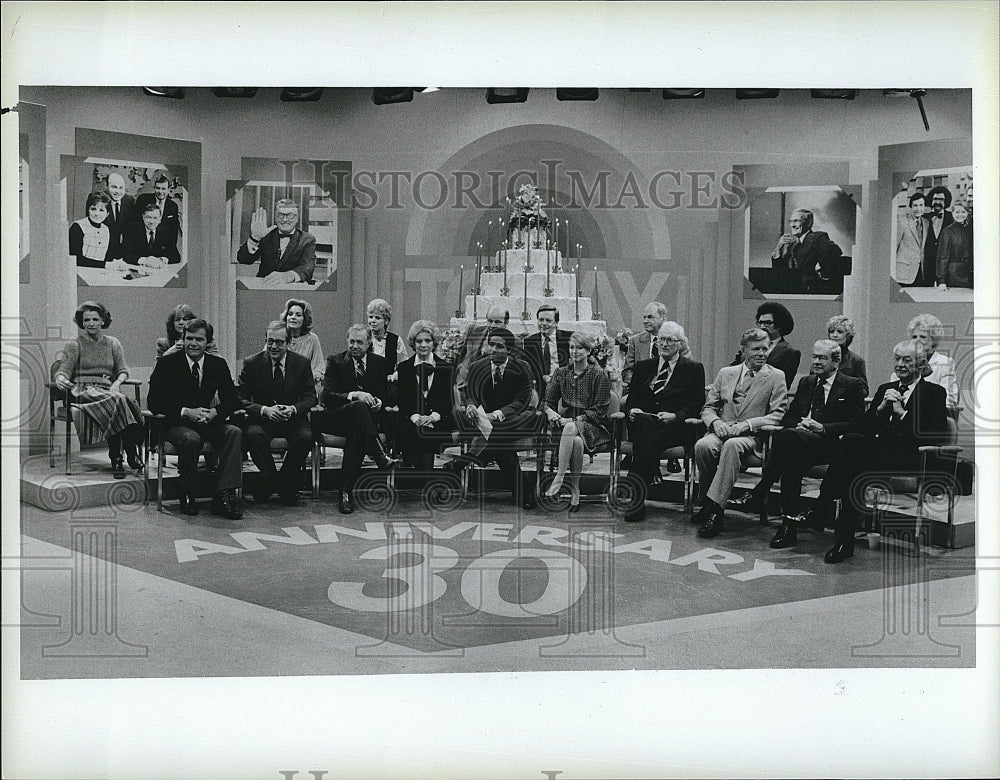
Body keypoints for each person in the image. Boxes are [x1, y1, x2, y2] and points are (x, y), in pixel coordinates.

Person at [815, 340, 948, 563]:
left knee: (850, 447)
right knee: (852, 465)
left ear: (922, 363)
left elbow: (931, 436)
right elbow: (863, 428)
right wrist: (879, 410)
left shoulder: (934, 393)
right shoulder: (886, 389)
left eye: (907, 360)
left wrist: (900, 413)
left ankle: (822, 505)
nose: (900, 365)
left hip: (912, 457)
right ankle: (843, 542)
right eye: (897, 359)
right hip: (881, 455)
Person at [726, 340, 865, 545]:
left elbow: (856, 424)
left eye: (821, 358)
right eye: (814, 357)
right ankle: (788, 527)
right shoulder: (807, 382)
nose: (816, 362)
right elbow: (789, 417)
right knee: (791, 460)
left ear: (836, 362)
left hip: (830, 445)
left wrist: (822, 427)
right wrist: (800, 425)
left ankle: (762, 490)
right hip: (800, 443)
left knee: (787, 442)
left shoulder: (852, 385)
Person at [693, 327, 788, 538]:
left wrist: (748, 424)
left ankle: (716, 512)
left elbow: (778, 414)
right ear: (744, 349)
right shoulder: (726, 373)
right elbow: (708, 407)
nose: (762, 353)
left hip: (753, 438)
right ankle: (707, 501)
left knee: (732, 445)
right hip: (723, 430)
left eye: (766, 348)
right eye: (756, 349)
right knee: (703, 445)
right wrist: (716, 422)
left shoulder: (776, 377)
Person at [146, 318, 244, 523]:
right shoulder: (167, 363)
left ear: (207, 342)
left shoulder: (217, 364)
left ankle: (223, 495)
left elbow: (232, 400)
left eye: (199, 339)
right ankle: (188, 494)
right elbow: (154, 402)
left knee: (234, 432)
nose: (193, 343)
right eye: (189, 338)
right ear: (182, 339)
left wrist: (215, 412)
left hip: (207, 421)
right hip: (176, 423)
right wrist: (185, 412)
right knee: (190, 438)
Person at [445, 327, 538, 510]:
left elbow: (522, 400)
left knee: (499, 432)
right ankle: (524, 493)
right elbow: (472, 394)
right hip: (485, 423)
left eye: (499, 346)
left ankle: (466, 459)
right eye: (491, 344)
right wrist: (471, 406)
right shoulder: (477, 366)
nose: (493, 349)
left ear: (509, 350)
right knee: (502, 446)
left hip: (515, 419)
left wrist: (497, 414)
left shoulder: (522, 367)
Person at [621, 321, 706, 522]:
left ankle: (637, 496)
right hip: (644, 423)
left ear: (681, 344)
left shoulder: (694, 369)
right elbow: (632, 399)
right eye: (661, 339)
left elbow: (697, 404)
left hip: (675, 429)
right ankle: (650, 474)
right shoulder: (644, 367)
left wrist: (675, 417)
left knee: (645, 432)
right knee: (643, 423)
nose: (664, 344)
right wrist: (632, 409)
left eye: (670, 340)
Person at [53, 301, 144, 478]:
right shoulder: (75, 344)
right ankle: (131, 453)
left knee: (117, 403)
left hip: (107, 391)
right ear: (82, 322)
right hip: (82, 391)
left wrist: (117, 382)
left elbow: (123, 370)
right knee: (121, 402)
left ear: (103, 320)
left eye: (95, 319)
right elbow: (64, 370)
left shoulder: (113, 343)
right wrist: (60, 378)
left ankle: (117, 459)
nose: (91, 323)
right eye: (86, 320)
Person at [316, 324, 400, 515]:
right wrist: (354, 394)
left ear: (369, 343)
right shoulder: (335, 361)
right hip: (338, 418)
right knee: (359, 405)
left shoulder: (379, 362)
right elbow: (328, 395)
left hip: (364, 423)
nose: (354, 346)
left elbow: (386, 396)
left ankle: (345, 491)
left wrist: (378, 401)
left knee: (358, 431)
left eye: (359, 342)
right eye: (351, 341)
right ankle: (379, 455)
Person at [236, 321, 317, 506]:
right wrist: (264, 410)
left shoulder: (301, 363)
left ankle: (284, 480)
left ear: (288, 343)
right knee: (252, 435)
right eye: (270, 341)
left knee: (306, 436)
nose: (273, 346)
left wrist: (293, 409)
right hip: (264, 419)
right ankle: (271, 477)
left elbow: (311, 397)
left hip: (292, 419)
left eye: (279, 342)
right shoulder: (252, 363)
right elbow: (239, 397)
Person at [542, 332, 612, 512]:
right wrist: (550, 412)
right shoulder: (562, 373)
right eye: (572, 347)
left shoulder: (599, 375)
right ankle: (575, 490)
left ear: (589, 351)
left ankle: (559, 477)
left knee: (572, 427)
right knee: (576, 441)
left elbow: (600, 410)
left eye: (579, 348)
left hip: (593, 425)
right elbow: (546, 401)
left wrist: (571, 420)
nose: (574, 351)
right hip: (566, 429)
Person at [395, 320, 455, 472]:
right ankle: (428, 479)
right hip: (412, 420)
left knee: (425, 433)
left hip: (438, 421)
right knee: (412, 430)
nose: (423, 345)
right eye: (419, 341)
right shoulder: (404, 368)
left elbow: (448, 401)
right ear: (413, 343)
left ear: (434, 343)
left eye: (427, 341)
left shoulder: (446, 368)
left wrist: (432, 417)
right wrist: (416, 418)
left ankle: (424, 478)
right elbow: (403, 400)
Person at [236, 199, 316, 284]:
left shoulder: (308, 239)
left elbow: (307, 268)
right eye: (280, 215)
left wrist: (288, 276)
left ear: (297, 218)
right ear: (275, 217)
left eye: (290, 215)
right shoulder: (265, 235)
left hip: (291, 288)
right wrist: (255, 238)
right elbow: (243, 259)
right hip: (264, 286)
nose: (285, 219)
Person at [891, 313, 959, 409]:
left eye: (923, 337)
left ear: (934, 340)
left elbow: (949, 400)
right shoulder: (903, 362)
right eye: (914, 337)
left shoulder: (945, 363)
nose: (917, 341)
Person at [770, 208, 844, 294]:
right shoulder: (792, 246)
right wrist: (778, 247)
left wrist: (819, 266)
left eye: (796, 221)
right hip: (794, 290)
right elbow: (782, 272)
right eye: (791, 221)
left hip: (813, 290)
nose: (792, 225)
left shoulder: (818, 237)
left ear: (809, 223)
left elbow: (835, 251)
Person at [732, 302, 801, 389]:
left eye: (767, 323)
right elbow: (734, 368)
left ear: (780, 324)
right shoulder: (750, 344)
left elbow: (784, 385)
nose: (762, 327)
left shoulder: (790, 352)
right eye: (760, 323)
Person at [454, 305, 510, 402]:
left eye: (497, 322)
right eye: (489, 321)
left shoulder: (512, 341)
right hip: (465, 385)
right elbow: (462, 354)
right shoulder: (475, 332)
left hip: (490, 392)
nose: (492, 325)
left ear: (506, 323)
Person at [522, 304, 571, 393]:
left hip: (565, 386)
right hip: (540, 387)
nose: (544, 324)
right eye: (541, 320)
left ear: (556, 323)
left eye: (548, 320)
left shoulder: (567, 339)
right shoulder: (529, 342)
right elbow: (530, 369)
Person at [621, 301, 667, 392]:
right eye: (644, 317)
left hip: (667, 392)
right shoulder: (635, 341)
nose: (645, 321)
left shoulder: (675, 340)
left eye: (650, 317)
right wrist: (639, 386)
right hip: (641, 392)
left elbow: (685, 369)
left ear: (663, 318)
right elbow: (627, 371)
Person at [121, 201, 180, 267]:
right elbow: (125, 254)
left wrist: (161, 259)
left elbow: (176, 256)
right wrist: (145, 261)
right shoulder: (132, 229)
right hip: (138, 270)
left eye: (155, 218)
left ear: (160, 218)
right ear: (143, 217)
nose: (152, 222)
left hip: (158, 270)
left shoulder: (165, 231)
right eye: (148, 217)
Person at [280, 298, 325, 385]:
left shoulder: (313, 339)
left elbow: (318, 368)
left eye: (298, 315)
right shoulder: (279, 336)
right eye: (290, 314)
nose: (293, 317)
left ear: (305, 319)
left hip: (305, 385)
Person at [156, 304, 220, 362]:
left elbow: (219, 361)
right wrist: (168, 353)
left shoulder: (205, 339)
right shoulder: (163, 343)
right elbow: (156, 370)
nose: (181, 322)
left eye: (185, 319)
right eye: (177, 319)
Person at [825, 314, 868, 395]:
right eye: (832, 331)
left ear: (848, 335)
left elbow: (864, 391)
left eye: (839, 332)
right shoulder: (820, 357)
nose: (835, 335)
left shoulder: (856, 360)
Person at [920, 186, 953, 288]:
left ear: (946, 201)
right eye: (935, 199)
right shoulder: (924, 218)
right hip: (927, 264)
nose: (938, 202)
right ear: (931, 200)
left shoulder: (952, 218)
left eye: (941, 199)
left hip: (946, 265)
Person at [936, 200, 972, 289]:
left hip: (969, 275)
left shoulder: (970, 230)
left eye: (963, 212)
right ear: (952, 213)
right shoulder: (948, 231)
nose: (960, 215)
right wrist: (942, 281)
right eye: (957, 212)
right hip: (954, 275)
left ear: (968, 213)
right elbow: (942, 257)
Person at [69, 192, 112, 268]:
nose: (96, 214)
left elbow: (105, 257)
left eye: (101, 210)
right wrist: (105, 264)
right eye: (93, 209)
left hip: (99, 273)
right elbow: (77, 259)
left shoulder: (106, 229)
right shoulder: (77, 227)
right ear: (88, 210)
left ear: (107, 213)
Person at [894, 192, 927, 286]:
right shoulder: (902, 221)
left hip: (920, 272)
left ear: (924, 206)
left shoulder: (926, 223)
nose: (918, 209)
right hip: (903, 272)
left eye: (921, 205)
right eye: (915, 205)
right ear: (910, 207)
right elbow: (894, 247)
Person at [134, 175, 181, 241]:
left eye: (163, 189)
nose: (160, 192)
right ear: (154, 188)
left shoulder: (173, 206)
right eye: (158, 188)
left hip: (162, 243)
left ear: (168, 189)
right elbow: (134, 222)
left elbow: (174, 230)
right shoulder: (143, 200)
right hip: (142, 240)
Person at [366, 298, 408, 371]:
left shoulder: (395, 340)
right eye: (370, 317)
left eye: (377, 318)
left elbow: (404, 366)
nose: (373, 321)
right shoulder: (364, 338)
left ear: (386, 321)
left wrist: (395, 375)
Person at [103, 173, 136, 261]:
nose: (117, 191)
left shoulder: (129, 201)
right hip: (103, 252)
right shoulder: (99, 200)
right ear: (106, 186)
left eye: (121, 188)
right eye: (114, 187)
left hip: (123, 254)